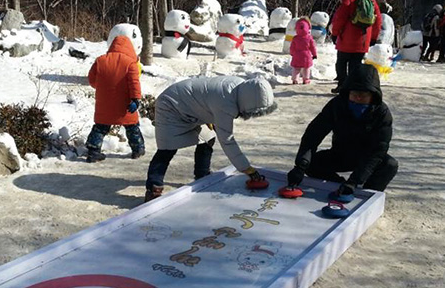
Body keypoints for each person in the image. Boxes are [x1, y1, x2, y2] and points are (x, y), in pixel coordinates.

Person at [144, 76, 277, 202]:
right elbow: (227, 140)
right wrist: (246, 168)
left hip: (191, 107)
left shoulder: (241, 88)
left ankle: (202, 175)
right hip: (171, 106)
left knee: (208, 139)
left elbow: (208, 97)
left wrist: (207, 114)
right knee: (167, 148)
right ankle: (153, 188)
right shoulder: (226, 103)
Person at [286, 63, 398, 196]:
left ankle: (366, 197)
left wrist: (354, 181)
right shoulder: (337, 106)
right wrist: (300, 166)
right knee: (310, 163)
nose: (358, 98)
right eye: (355, 93)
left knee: (390, 165)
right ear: (348, 92)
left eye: (364, 95)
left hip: (366, 157)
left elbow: (377, 151)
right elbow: (313, 134)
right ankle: (338, 186)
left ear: (373, 96)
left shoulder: (382, 114)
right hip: (341, 154)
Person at [86, 35, 145, 162]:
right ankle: (137, 149)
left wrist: (102, 88)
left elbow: (92, 80)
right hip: (125, 103)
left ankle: (93, 151)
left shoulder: (100, 60)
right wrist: (135, 99)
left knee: (100, 127)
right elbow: (134, 83)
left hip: (104, 102)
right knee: (132, 127)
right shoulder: (130, 63)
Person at [330, 0, 382, 94]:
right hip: (363, 41)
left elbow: (340, 18)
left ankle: (342, 86)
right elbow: (378, 22)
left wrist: (335, 33)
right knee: (356, 65)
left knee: (341, 63)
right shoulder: (372, 2)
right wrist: (373, 38)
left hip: (346, 40)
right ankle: (352, 88)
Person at [290, 17, 318, 85]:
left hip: (297, 55)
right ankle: (306, 79)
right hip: (306, 55)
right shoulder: (309, 38)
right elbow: (312, 47)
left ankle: (295, 79)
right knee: (306, 68)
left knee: (296, 68)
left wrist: (292, 53)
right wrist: (314, 54)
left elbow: (292, 47)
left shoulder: (295, 38)